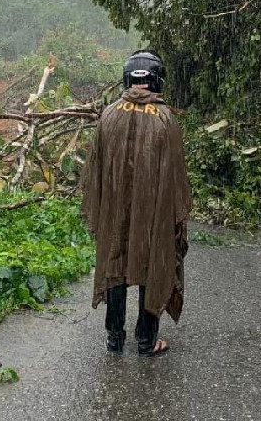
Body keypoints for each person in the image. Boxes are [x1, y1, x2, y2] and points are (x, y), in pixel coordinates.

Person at [80, 50, 191, 357]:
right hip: (152, 216)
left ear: (128, 77)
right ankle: (146, 340)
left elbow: (94, 170)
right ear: (156, 80)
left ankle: (114, 338)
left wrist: (102, 209)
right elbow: (176, 178)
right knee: (154, 261)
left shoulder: (109, 115)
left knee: (114, 263)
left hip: (114, 212)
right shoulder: (166, 120)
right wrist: (174, 218)